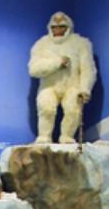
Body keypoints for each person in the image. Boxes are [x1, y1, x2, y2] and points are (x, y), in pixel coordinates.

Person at [28, 11, 96, 145]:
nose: (58, 30)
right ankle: (44, 136)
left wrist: (85, 88)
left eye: (62, 27)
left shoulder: (81, 43)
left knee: (73, 110)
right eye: (54, 27)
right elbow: (33, 69)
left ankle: (67, 137)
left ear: (68, 27)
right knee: (46, 108)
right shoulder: (41, 44)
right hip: (49, 85)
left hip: (72, 85)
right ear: (50, 28)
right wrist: (57, 63)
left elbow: (87, 68)